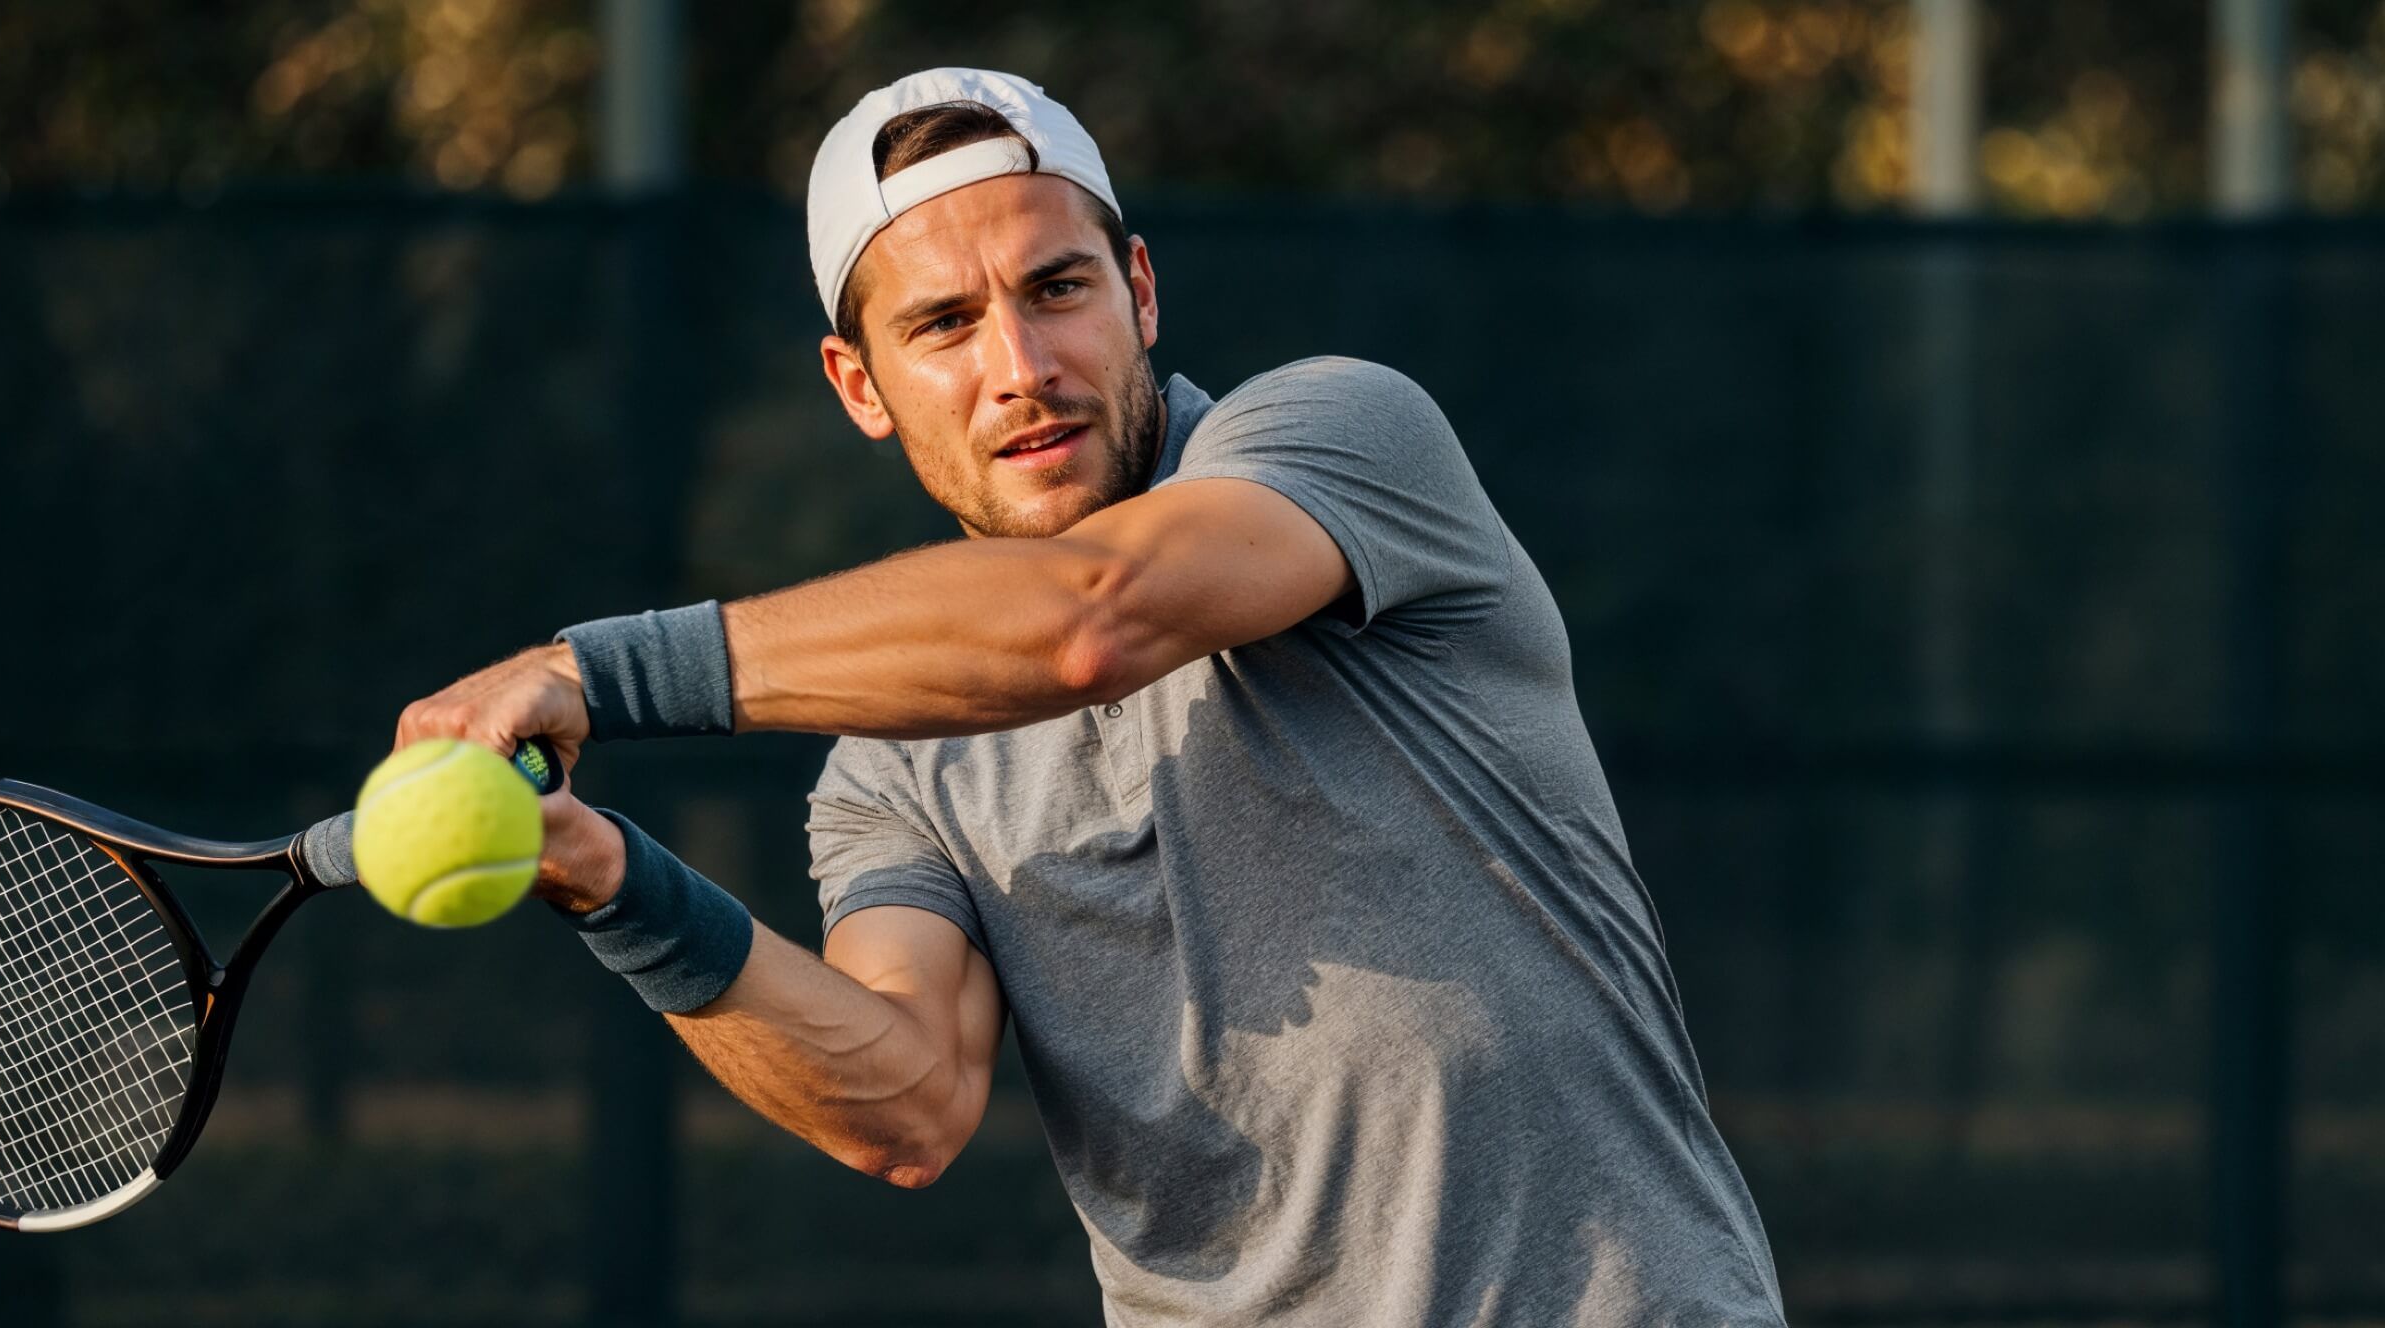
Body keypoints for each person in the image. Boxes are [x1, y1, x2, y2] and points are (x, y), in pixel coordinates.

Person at [387, 68, 1785, 1324]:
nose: (1022, 370)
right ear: (860, 387)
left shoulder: (1344, 435)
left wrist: (594, 672)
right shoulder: (893, 769)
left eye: (1057, 290)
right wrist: (615, 886)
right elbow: (904, 1101)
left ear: (1141, 293)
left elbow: (1088, 620)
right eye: (945, 324)